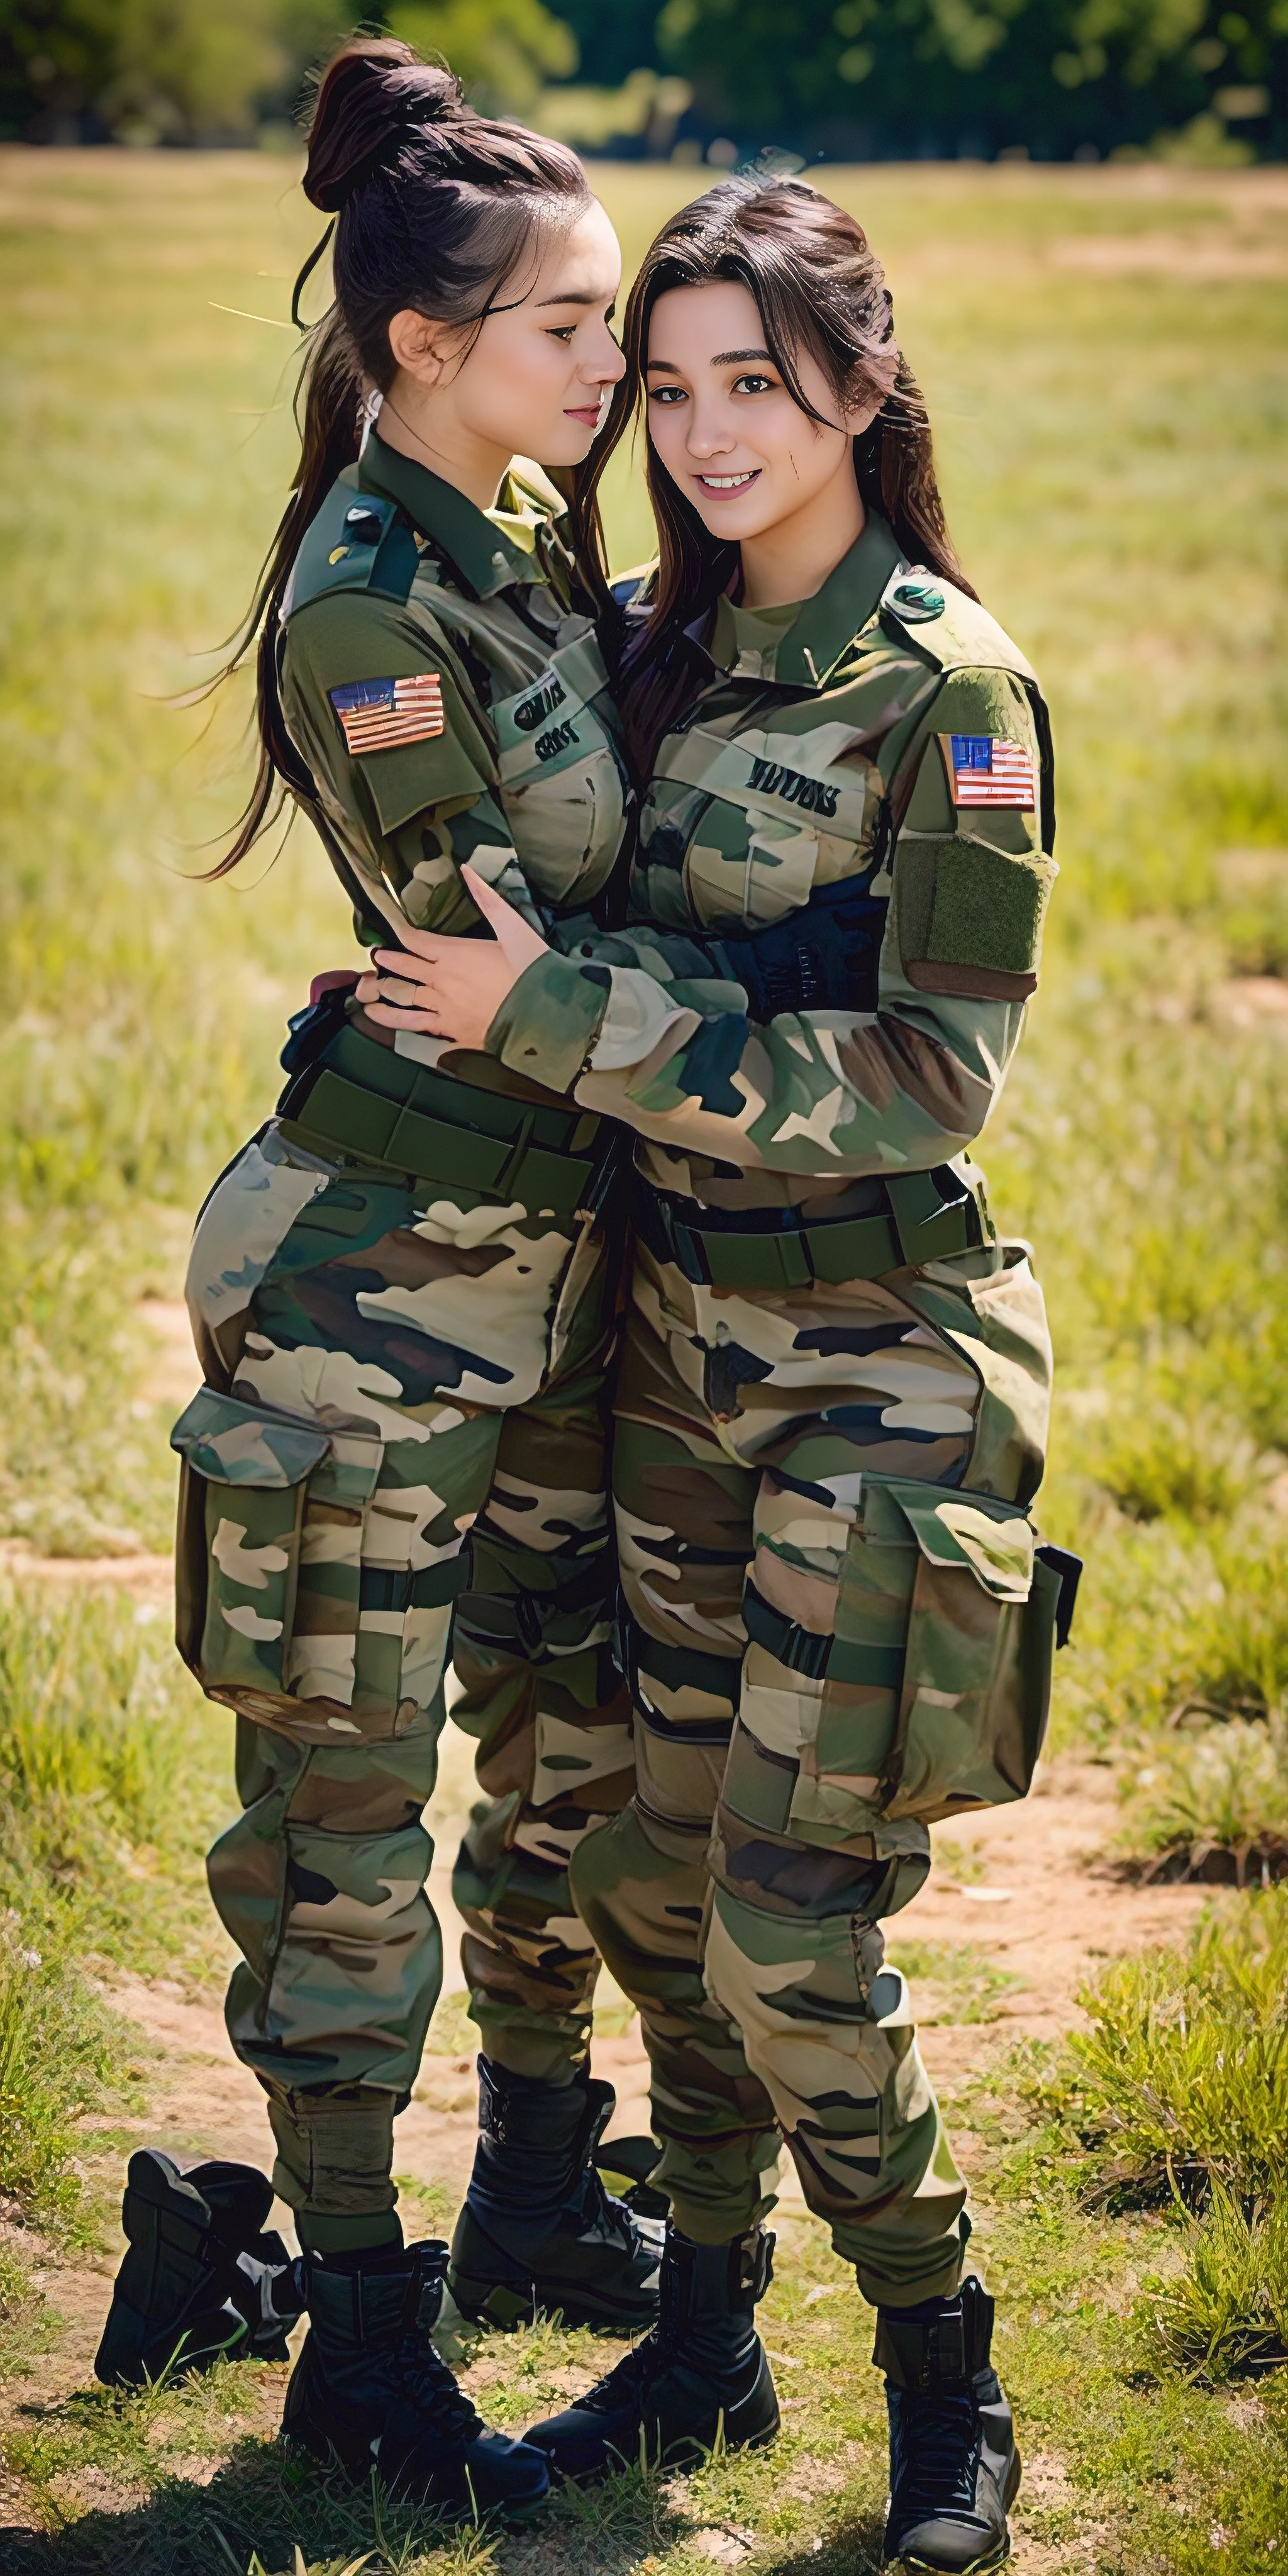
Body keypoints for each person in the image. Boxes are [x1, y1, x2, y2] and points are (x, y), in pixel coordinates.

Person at [367, 174, 1074, 2573]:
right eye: (659, 390)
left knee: (788, 1919)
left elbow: (932, 1078)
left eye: (747, 384)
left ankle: (944, 2373)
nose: (693, 431)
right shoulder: (649, 644)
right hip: (671, 1344)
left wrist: (549, 1018)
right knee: (660, 1884)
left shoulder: (949, 688)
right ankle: (707, 2325)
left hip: (878, 1356)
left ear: (864, 386)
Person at [96, 37, 661, 2518]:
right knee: (341, 1807)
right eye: (566, 322)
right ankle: (348, 2329)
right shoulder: (369, 598)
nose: (609, 364)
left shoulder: (517, 532)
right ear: (423, 341)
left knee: (559, 1733)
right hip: (368, 1282)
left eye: (616, 317)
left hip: (538, 1253)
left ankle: (538, 2174)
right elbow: (505, 944)